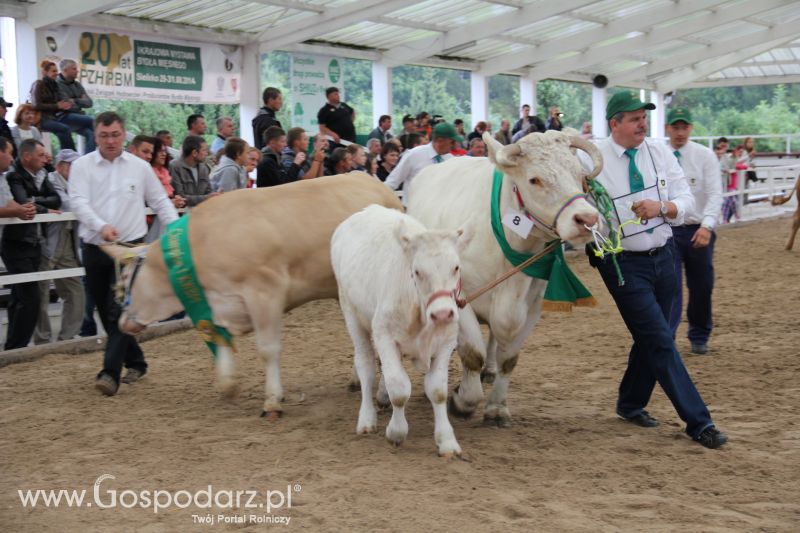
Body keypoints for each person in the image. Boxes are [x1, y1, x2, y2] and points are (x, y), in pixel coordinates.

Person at [583, 91, 727, 449]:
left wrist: (662, 207)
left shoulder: (659, 151)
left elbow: (687, 201)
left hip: (664, 255)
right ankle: (699, 422)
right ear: (614, 124)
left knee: (655, 335)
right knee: (661, 340)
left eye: (643, 117)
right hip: (621, 262)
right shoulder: (589, 159)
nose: (642, 124)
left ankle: (630, 403)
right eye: (633, 119)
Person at [69, 111, 179, 395]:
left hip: (131, 249)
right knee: (105, 312)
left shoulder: (139, 167)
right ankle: (137, 361)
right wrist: (100, 225)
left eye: (115, 134)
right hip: (95, 247)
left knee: (119, 308)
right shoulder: (82, 167)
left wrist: (178, 229)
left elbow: (159, 200)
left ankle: (109, 374)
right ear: (95, 136)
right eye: (104, 135)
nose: (110, 140)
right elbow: (78, 202)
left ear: (124, 134)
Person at [665, 108, 723, 356]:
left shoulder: (704, 155)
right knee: (670, 287)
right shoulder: (658, 155)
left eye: (684, 127)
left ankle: (699, 334)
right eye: (675, 127)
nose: (680, 132)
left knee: (702, 286)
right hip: (668, 231)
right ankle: (666, 337)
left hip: (698, 229)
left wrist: (707, 226)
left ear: (691, 128)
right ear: (667, 128)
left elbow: (714, 193)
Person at [2, 139, 62, 350]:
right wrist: (27, 208)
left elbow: (55, 200)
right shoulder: (12, 176)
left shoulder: (8, 177)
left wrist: (30, 205)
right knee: (30, 298)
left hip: (33, 242)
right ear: (27, 156)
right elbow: (21, 203)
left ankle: (14, 346)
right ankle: (17, 347)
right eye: (9, 153)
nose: (11, 157)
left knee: (20, 297)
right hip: (16, 242)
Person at [33, 149, 84, 344]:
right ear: (61, 165)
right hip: (48, 240)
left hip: (68, 238)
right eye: (72, 165)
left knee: (75, 289)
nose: (76, 169)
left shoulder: (76, 183)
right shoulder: (51, 179)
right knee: (41, 290)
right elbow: (66, 204)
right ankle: (42, 338)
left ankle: (68, 336)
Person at [384, 122, 461, 205]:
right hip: (413, 211)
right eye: (452, 142)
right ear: (440, 141)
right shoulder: (414, 155)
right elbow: (392, 182)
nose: (454, 146)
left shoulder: (451, 160)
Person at [30, 60, 78, 151]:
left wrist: (64, 107)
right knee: (65, 128)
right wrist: (57, 106)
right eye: (53, 71)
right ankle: (71, 156)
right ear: (45, 72)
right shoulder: (38, 84)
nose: (56, 73)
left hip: (52, 118)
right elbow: (36, 105)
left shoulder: (54, 86)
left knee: (63, 133)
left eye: (56, 71)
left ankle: (66, 158)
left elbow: (56, 106)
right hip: (41, 119)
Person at [55, 59, 96, 152]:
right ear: (65, 70)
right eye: (74, 69)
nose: (77, 71)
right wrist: (80, 100)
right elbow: (67, 105)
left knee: (92, 134)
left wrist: (74, 100)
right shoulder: (57, 84)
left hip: (78, 117)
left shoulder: (77, 84)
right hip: (64, 117)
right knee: (94, 121)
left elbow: (89, 103)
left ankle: (87, 162)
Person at [170, 136, 217, 206]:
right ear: (194, 153)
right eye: (204, 150)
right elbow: (180, 197)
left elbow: (208, 191)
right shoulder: (175, 166)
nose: (206, 154)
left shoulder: (203, 168)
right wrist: (206, 198)